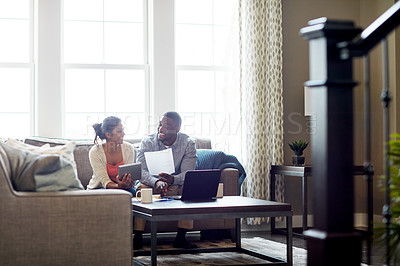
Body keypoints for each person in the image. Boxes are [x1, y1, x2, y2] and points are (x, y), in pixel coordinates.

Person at [134, 111, 197, 249]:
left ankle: (181, 238)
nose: (161, 128)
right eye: (160, 124)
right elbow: (141, 171)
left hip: (174, 183)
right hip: (151, 183)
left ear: (177, 129)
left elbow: (188, 173)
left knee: (189, 188)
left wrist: (173, 179)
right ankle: (137, 238)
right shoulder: (147, 142)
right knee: (142, 188)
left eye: (166, 126)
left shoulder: (188, 143)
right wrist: (156, 182)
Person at [86, 116, 136, 194]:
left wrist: (128, 182)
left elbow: (129, 176)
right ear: (108, 135)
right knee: (110, 195)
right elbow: (105, 181)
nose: (124, 133)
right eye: (119, 131)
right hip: (100, 188)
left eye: (122, 130)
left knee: (133, 192)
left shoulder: (129, 148)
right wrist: (119, 186)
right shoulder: (95, 152)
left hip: (122, 188)